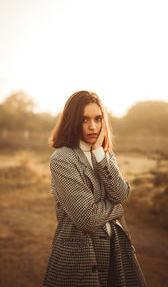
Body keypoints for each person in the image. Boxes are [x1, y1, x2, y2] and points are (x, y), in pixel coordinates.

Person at [43, 90, 147, 287]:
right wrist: (116, 208)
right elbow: (87, 219)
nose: (93, 126)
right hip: (79, 255)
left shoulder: (104, 154)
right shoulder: (63, 159)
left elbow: (121, 193)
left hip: (114, 249)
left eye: (98, 119)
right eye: (84, 120)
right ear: (72, 121)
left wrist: (100, 154)